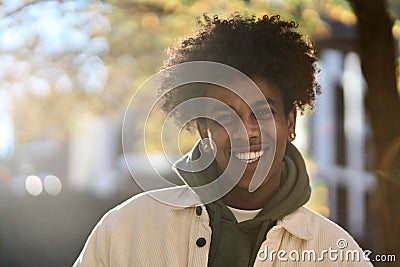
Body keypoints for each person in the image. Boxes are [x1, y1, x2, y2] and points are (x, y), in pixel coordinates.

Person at [73, 13, 373, 266]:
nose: (246, 131)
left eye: (263, 112)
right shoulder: (127, 228)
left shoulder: (337, 254)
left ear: (290, 122)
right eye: (225, 117)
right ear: (204, 131)